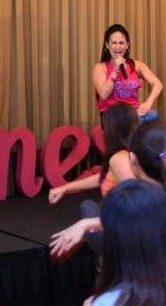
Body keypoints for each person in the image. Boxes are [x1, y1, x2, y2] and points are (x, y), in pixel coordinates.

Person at [48, 121, 166, 258]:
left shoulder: (141, 204)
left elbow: (136, 216)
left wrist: (86, 224)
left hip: (145, 274)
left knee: (88, 206)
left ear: (133, 159)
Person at [47, 104, 139, 254]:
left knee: (88, 206)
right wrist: (65, 188)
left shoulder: (119, 158)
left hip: (123, 234)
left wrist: (85, 226)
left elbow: (137, 199)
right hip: (122, 229)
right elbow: (104, 177)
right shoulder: (127, 154)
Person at [92, 24, 163, 122]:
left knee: (153, 116)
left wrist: (148, 103)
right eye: (114, 43)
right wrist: (116, 70)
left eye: (121, 43)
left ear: (127, 45)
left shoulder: (136, 65)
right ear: (107, 45)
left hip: (134, 114)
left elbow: (158, 84)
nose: (118, 47)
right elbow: (103, 94)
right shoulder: (100, 68)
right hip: (112, 117)